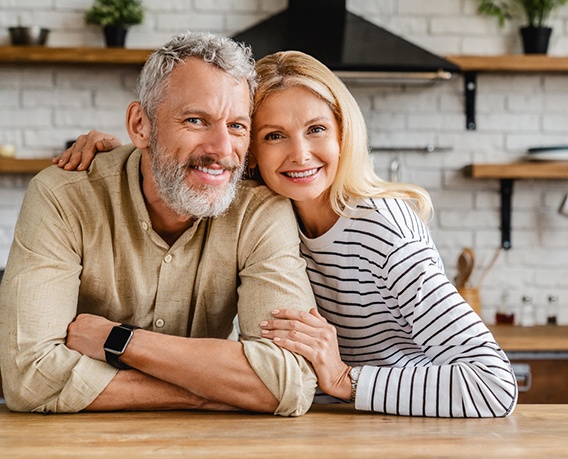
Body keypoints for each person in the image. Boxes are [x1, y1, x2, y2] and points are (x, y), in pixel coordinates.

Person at [56, 51, 518, 418]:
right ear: (250, 150)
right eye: (274, 135)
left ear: (343, 133)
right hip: (320, 425)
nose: (300, 154)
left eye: (316, 129)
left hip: (407, 431)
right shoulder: (264, 214)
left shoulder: (383, 230)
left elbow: (493, 385)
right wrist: (124, 153)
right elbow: (192, 165)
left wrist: (343, 379)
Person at [0, 33, 318, 416]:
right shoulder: (64, 196)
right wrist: (207, 392)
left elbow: (290, 382)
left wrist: (119, 341)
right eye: (196, 120)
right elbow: (29, 378)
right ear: (140, 125)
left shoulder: (260, 211)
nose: (221, 148)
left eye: (236, 126)